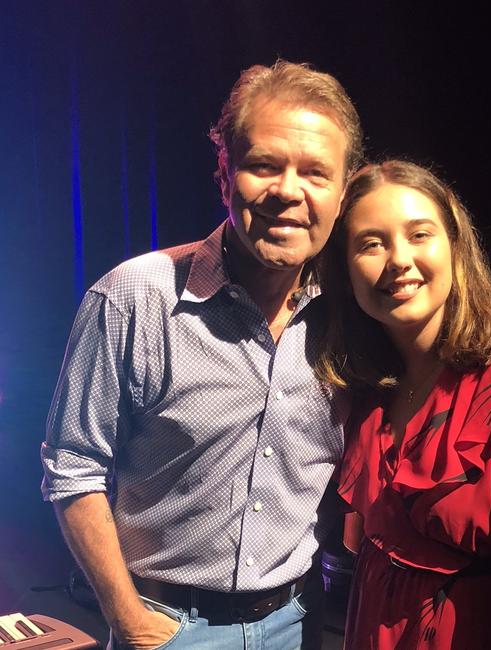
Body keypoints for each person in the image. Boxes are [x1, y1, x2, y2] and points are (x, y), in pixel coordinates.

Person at [41, 60, 363, 650]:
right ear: (224, 173)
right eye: (264, 164)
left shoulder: (354, 313)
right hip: (167, 626)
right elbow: (72, 467)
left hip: (299, 622)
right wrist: (129, 620)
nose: (287, 191)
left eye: (316, 172)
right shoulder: (133, 297)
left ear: (344, 193)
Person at [317, 160, 491, 649]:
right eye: (371, 242)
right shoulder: (364, 388)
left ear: (456, 248)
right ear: (344, 269)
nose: (398, 259)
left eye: (419, 234)